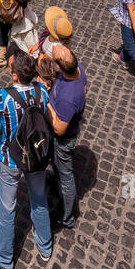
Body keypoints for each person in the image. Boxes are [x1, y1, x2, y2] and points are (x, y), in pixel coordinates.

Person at [0, 51, 54, 269]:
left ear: (14, 75)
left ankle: (3, 259)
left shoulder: (4, 97)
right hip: (36, 157)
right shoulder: (42, 92)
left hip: (9, 159)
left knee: (5, 209)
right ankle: (45, 246)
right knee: (39, 200)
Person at [46, 43, 87, 228]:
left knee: (66, 176)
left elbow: (58, 129)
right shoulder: (77, 69)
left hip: (63, 141)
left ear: (58, 66)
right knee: (59, 168)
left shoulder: (68, 99)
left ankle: (67, 217)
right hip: (62, 134)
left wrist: (46, 103)